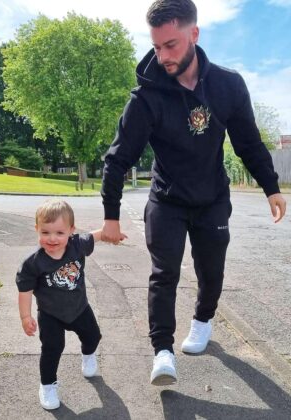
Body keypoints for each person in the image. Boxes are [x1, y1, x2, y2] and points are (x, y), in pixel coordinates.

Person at [101, 0, 286, 386]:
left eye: (171, 45)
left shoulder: (228, 85)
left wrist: (271, 187)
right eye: (156, 47)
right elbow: (118, 159)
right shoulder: (146, 97)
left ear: (194, 34)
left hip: (212, 198)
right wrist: (111, 216)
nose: (163, 55)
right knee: (163, 273)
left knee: (211, 272)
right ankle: (162, 351)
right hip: (166, 200)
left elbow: (249, 142)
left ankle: (203, 321)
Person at [16, 199, 110, 410]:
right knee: (52, 348)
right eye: (45, 232)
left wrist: (110, 233)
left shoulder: (77, 244)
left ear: (71, 231)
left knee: (93, 336)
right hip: (50, 314)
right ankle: (47, 385)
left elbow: (98, 235)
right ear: (37, 230)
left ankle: (88, 356)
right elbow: (25, 291)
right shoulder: (32, 263)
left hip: (79, 308)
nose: (52, 238)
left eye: (59, 233)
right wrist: (25, 316)